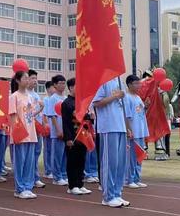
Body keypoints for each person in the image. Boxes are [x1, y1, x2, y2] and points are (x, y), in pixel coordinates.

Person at [93, 79, 129, 208]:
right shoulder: (103, 81)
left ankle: (117, 193)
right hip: (108, 126)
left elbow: (123, 106)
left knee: (120, 163)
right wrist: (114, 96)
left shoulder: (120, 81)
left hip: (121, 127)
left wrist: (127, 126)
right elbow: (96, 102)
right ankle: (108, 196)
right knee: (109, 162)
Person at [9, 71, 38, 199]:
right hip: (20, 134)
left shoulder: (30, 97)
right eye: (25, 78)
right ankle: (19, 189)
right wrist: (17, 133)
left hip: (31, 133)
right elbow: (13, 115)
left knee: (29, 162)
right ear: (18, 81)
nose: (27, 80)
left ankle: (28, 187)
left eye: (28, 78)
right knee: (20, 162)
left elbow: (31, 115)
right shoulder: (14, 96)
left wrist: (40, 109)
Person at [61, 78, 91, 195]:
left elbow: (85, 119)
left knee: (81, 160)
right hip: (72, 137)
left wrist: (90, 117)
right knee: (72, 161)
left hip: (82, 136)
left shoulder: (82, 103)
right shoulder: (66, 103)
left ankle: (80, 183)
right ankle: (72, 185)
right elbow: (66, 122)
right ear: (71, 87)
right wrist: (68, 138)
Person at [124, 75, 149, 189]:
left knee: (140, 156)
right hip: (133, 132)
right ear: (129, 84)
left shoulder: (138, 97)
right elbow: (127, 116)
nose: (139, 85)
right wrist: (129, 130)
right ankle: (129, 179)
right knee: (132, 157)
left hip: (141, 130)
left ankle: (137, 178)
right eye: (136, 83)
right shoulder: (127, 97)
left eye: (139, 83)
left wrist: (147, 105)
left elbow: (141, 112)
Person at [45, 75, 68, 186]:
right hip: (57, 131)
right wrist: (58, 130)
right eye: (60, 83)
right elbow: (52, 116)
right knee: (57, 155)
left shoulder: (65, 98)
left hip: (66, 130)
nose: (63, 85)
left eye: (64, 83)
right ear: (54, 84)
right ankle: (57, 177)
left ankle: (63, 174)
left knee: (64, 155)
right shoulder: (52, 98)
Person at [27, 69, 45, 188]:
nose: (35, 81)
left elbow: (40, 114)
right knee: (30, 153)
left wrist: (42, 124)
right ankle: (31, 177)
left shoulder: (36, 95)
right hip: (29, 127)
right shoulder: (26, 95)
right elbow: (29, 113)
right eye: (32, 78)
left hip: (38, 127)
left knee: (37, 152)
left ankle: (35, 176)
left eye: (35, 78)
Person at [43, 80, 55, 179]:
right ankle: (48, 170)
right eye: (52, 87)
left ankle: (53, 169)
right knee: (48, 149)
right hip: (48, 128)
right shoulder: (46, 100)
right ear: (48, 89)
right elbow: (45, 114)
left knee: (53, 150)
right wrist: (46, 126)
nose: (54, 89)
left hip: (55, 128)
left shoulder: (56, 99)